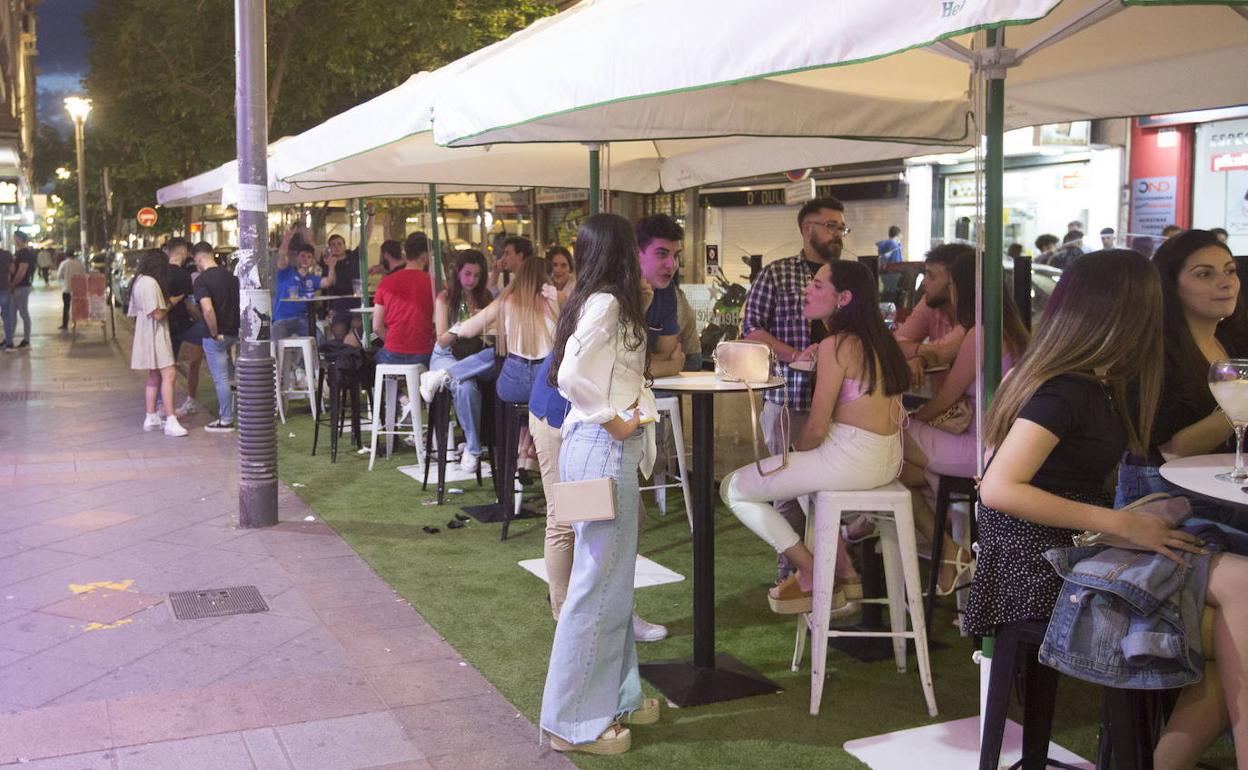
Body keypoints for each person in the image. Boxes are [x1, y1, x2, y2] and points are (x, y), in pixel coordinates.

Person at [965, 250, 1248, 770]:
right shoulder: (1067, 389)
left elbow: (996, 472)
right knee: (1242, 598)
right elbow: (999, 489)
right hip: (1042, 570)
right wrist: (1122, 524)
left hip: (1071, 551)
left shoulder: (1078, 380)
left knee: (1239, 607)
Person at [721, 260, 910, 615]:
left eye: (818, 285)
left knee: (732, 489)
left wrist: (792, 454)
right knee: (805, 487)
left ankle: (811, 570)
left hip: (850, 462)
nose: (806, 290)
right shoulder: (881, 340)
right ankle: (845, 571)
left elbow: (816, 428)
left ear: (844, 298)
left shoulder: (836, 345)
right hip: (885, 462)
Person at [540, 213, 659, 756]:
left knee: (608, 583)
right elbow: (570, 375)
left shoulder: (600, 299)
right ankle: (572, 721)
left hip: (593, 452)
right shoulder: (606, 302)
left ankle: (614, 697)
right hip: (601, 450)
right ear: (621, 250)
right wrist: (613, 417)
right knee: (598, 584)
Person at [900, 247, 1030, 593]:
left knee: (886, 438)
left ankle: (949, 553)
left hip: (979, 450)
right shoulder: (1015, 331)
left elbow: (947, 397)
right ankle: (949, 554)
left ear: (961, 289)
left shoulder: (981, 333)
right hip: (1000, 447)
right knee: (894, 475)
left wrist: (914, 418)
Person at [740, 196, 848, 582]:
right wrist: (794, 354)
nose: (837, 233)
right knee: (787, 494)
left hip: (843, 405)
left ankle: (838, 572)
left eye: (841, 227)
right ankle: (794, 576)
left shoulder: (847, 276)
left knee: (829, 493)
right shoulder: (778, 273)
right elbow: (750, 328)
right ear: (807, 229)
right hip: (790, 396)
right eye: (830, 225)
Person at [1116, 230, 1248, 532]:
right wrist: (1239, 407)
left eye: (1230, 271)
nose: (1226, 282)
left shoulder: (1232, 343)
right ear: (1170, 285)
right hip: (1170, 507)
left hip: (1228, 494)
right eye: (1204, 274)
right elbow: (1174, 449)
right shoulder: (1152, 352)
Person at [419, 250, 496, 472]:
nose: (472, 280)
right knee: (466, 386)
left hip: (475, 358)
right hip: (447, 356)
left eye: (477, 275)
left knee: (499, 357)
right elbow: (442, 341)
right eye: (468, 274)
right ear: (458, 273)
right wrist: (464, 325)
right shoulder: (445, 298)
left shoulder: (486, 298)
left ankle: (443, 377)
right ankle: (473, 449)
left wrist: (485, 325)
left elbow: (493, 336)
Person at [129, 250, 188, 437]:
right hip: (155, 333)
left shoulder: (139, 280)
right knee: (169, 374)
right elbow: (158, 314)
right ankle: (170, 419)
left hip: (146, 331)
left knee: (154, 375)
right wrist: (173, 302)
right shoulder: (150, 283)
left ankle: (151, 415)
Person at [894, 244, 966, 384]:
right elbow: (895, 345)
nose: (923, 283)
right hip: (944, 399)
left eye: (931, 276)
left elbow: (945, 351)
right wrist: (924, 354)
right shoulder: (930, 303)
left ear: (954, 282)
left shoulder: (976, 317)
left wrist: (921, 357)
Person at [192, 244, 240, 433]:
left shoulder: (201, 280)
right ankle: (240, 412)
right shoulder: (231, 277)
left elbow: (208, 309)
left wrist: (213, 332)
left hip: (216, 335)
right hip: (233, 332)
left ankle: (226, 419)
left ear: (199, 258)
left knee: (221, 378)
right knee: (233, 375)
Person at [373, 232, 435, 367]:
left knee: (374, 359)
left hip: (391, 354)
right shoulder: (434, 284)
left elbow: (377, 327)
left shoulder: (385, 283)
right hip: (424, 354)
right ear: (424, 257)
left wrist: (394, 343)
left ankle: (392, 389)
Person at [636, 214, 686, 378]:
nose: (672, 265)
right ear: (637, 254)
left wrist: (646, 366)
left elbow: (667, 351)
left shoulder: (666, 290)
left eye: (676, 255)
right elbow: (619, 369)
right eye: (662, 254)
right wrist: (673, 366)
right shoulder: (613, 292)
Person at [162, 238, 206, 416]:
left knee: (166, 369)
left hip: (166, 327)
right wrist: (204, 322)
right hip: (184, 325)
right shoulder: (183, 275)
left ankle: (163, 406)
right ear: (182, 252)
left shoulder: (160, 273)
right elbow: (189, 305)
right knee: (212, 337)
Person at [272, 242, 324, 341]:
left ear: (312, 261)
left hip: (302, 319)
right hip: (282, 319)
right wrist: (287, 239)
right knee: (275, 341)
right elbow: (282, 256)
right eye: (303, 256)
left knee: (319, 339)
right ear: (297, 257)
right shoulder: (286, 272)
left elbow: (328, 282)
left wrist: (331, 266)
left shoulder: (311, 279)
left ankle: (306, 357)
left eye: (309, 257)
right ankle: (278, 357)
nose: (305, 259)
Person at [7, 231, 36, 350]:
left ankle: (26, 340)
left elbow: (22, 271)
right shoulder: (19, 252)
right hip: (18, 286)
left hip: (21, 287)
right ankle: (10, 339)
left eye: (14, 238)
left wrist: (13, 284)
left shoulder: (25, 253)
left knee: (23, 313)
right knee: (12, 313)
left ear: (19, 239)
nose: (13, 240)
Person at [56, 251, 85, 330]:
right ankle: (77, 322)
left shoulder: (63, 263)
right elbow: (83, 275)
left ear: (66, 255)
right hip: (77, 289)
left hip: (67, 289)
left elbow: (59, 275)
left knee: (66, 307)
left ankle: (65, 324)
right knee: (77, 306)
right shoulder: (79, 264)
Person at [0, 246, 11, 350]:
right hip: (4, 287)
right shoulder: (6, 254)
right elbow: (11, 269)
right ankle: (9, 342)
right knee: (6, 316)